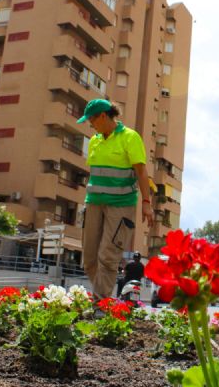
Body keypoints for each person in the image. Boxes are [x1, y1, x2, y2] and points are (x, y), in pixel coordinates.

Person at [78, 99, 154, 300]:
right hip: (93, 203)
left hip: (120, 205)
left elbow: (141, 171)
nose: (90, 124)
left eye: (91, 120)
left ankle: (99, 302)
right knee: (89, 259)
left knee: (108, 256)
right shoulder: (95, 140)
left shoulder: (130, 137)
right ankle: (102, 299)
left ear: (103, 116)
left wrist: (147, 203)